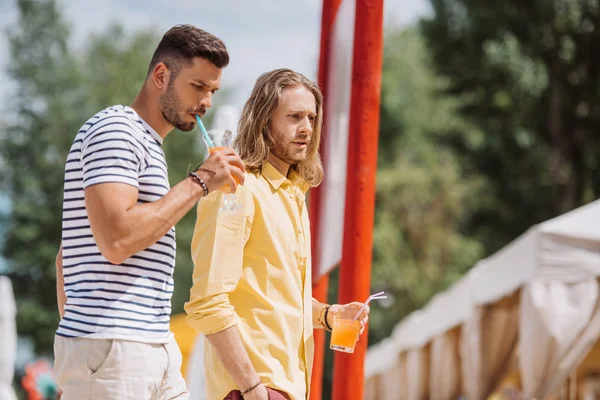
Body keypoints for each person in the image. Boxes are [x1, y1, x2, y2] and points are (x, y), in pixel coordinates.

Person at [53, 24, 245, 400]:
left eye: (213, 90)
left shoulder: (147, 144)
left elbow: (66, 260)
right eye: (198, 86)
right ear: (161, 75)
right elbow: (117, 240)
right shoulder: (116, 128)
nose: (206, 101)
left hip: (151, 344)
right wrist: (200, 181)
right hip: (116, 346)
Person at [184, 68, 370, 400]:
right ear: (264, 121)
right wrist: (253, 387)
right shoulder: (235, 190)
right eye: (294, 117)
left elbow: (271, 298)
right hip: (253, 389)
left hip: (287, 389)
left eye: (312, 118)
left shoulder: (292, 197)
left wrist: (329, 315)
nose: (307, 129)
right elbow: (206, 302)